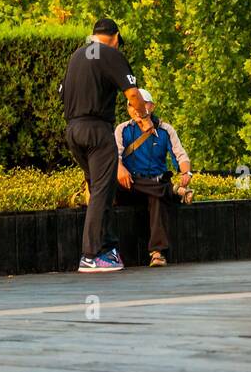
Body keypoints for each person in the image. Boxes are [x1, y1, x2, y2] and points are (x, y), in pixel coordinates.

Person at [60, 17, 151, 273]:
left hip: (73, 130)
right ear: (116, 36)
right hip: (97, 130)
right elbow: (133, 94)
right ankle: (91, 255)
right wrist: (144, 118)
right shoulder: (109, 54)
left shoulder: (77, 56)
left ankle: (107, 249)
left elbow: (62, 92)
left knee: (99, 187)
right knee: (102, 190)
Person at [115, 88, 192, 268]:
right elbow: (114, 157)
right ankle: (171, 190)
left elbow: (181, 156)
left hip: (153, 184)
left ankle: (157, 253)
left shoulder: (166, 130)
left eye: (141, 104)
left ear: (152, 106)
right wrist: (120, 169)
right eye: (131, 105)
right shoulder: (122, 129)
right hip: (130, 186)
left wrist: (186, 173)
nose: (135, 108)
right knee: (158, 189)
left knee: (157, 195)